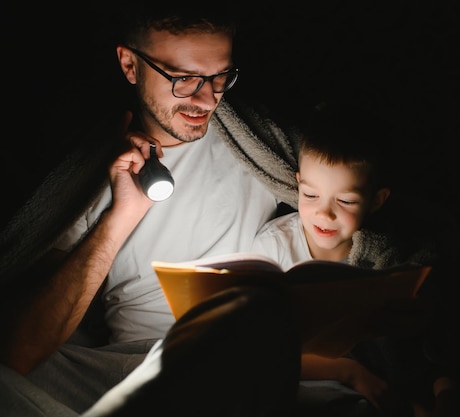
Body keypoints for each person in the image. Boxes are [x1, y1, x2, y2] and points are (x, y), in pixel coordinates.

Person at [0, 3, 304, 416]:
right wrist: (121, 216)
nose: (206, 98)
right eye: (183, 78)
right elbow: (21, 351)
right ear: (129, 64)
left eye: (219, 77)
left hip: (241, 352)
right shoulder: (91, 174)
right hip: (134, 364)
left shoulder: (259, 146)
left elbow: (352, 208)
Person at [251, 101, 460, 417]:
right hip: (297, 382)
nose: (324, 213)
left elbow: (425, 345)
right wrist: (349, 373)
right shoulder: (274, 246)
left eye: (346, 200)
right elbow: (259, 349)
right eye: (310, 195)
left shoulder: (385, 258)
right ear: (297, 183)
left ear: (376, 201)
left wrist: (443, 390)